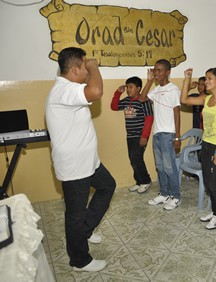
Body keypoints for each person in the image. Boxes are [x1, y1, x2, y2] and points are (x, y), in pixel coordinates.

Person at [45, 47, 116, 272]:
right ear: (76, 69)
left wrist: (91, 67)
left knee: (107, 186)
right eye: (85, 67)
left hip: (89, 162)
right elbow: (95, 91)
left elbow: (90, 93)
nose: (88, 71)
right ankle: (79, 260)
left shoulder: (70, 89)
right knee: (75, 213)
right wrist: (94, 65)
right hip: (75, 166)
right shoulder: (63, 90)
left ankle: (84, 231)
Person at [181, 67, 216, 229]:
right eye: (205, 78)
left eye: (210, 78)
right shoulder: (206, 98)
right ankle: (215, 211)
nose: (206, 81)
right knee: (208, 182)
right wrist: (187, 79)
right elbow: (184, 100)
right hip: (206, 144)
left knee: (214, 182)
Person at [140, 59, 182, 210]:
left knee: (169, 167)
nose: (156, 73)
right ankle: (164, 194)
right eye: (155, 70)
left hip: (168, 134)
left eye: (159, 70)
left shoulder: (173, 90)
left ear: (168, 72)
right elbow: (142, 98)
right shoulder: (156, 89)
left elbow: (177, 113)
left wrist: (177, 136)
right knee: (160, 166)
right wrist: (149, 81)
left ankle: (175, 196)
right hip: (157, 133)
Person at [111, 76, 154, 193]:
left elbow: (149, 119)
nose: (128, 90)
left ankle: (146, 181)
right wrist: (117, 93)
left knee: (137, 159)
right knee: (133, 159)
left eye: (131, 87)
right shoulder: (126, 100)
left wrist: (144, 136)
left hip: (140, 136)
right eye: (127, 87)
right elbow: (114, 107)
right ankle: (139, 181)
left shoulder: (143, 101)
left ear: (139, 88)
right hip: (130, 135)